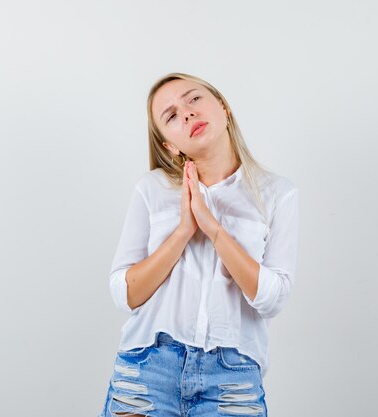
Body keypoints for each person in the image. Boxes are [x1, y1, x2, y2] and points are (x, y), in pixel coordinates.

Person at [98, 73, 299, 417]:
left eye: (193, 99)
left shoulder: (277, 194)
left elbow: (272, 298)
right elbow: (124, 292)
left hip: (232, 379)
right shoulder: (152, 189)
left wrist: (214, 230)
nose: (187, 113)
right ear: (168, 145)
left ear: (223, 107)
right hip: (148, 368)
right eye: (172, 116)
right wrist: (182, 233)